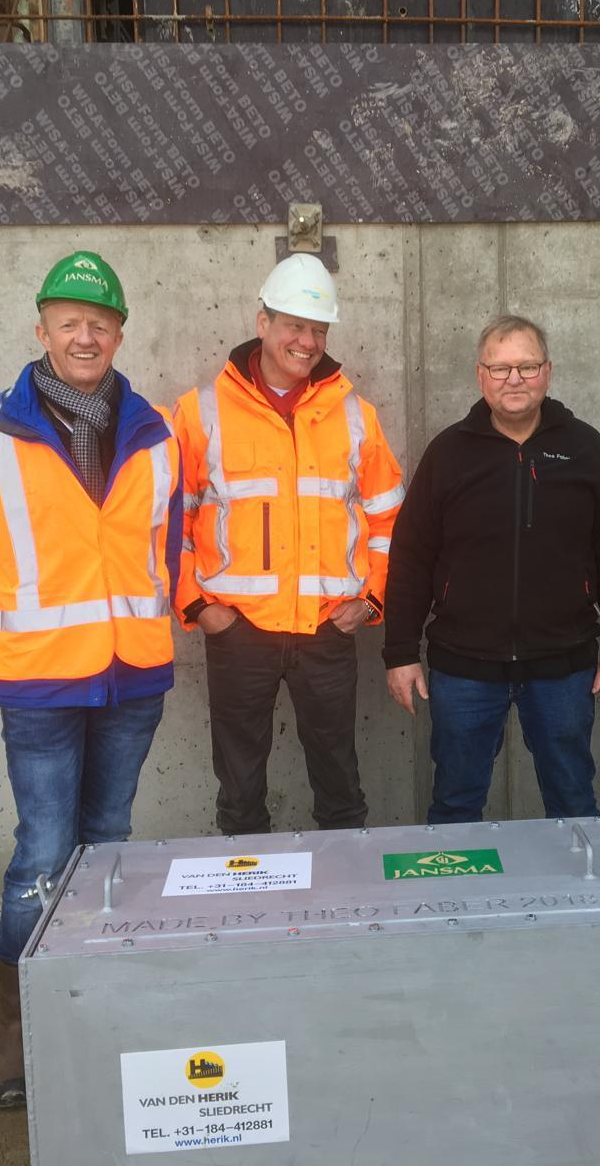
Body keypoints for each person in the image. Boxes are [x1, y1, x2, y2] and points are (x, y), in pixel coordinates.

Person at [0, 251, 182, 1108]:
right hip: (38, 687)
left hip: (133, 682)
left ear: (118, 335)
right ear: (41, 331)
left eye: (100, 322)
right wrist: (7, 647)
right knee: (42, 853)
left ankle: (96, 1005)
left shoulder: (155, 431)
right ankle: (22, 1033)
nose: (85, 334)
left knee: (107, 839)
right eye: (69, 320)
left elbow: (167, 550)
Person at [173, 254, 403, 835]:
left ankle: (345, 911)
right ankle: (252, 910)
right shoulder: (200, 413)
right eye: (294, 326)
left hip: (327, 630)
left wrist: (371, 601)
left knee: (341, 783)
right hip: (239, 631)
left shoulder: (355, 415)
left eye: (318, 330)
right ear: (263, 323)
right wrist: (200, 608)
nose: (306, 341)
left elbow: (390, 519)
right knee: (240, 787)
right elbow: (167, 522)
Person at [382, 315, 600, 823]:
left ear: (548, 372)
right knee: (455, 802)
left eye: (526, 366)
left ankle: (577, 902)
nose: (514, 379)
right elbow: (411, 556)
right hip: (464, 666)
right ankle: (456, 906)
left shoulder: (585, 447)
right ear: (480, 376)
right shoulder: (449, 453)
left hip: (565, 666)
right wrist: (399, 652)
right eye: (500, 369)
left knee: (572, 803)